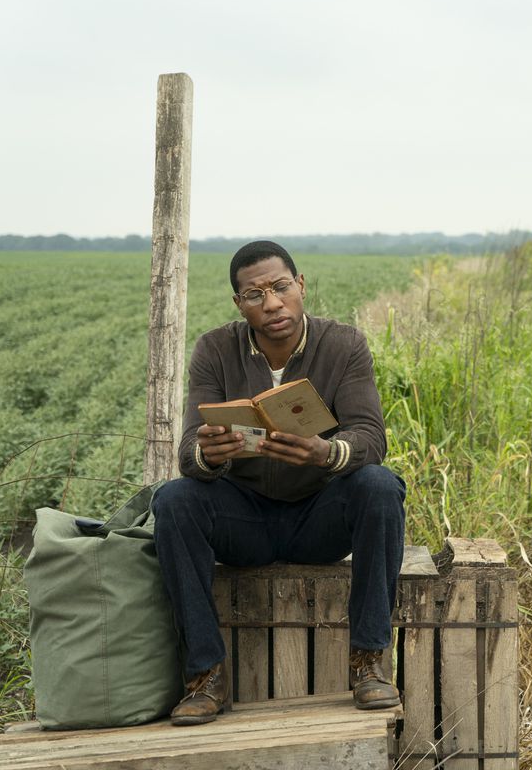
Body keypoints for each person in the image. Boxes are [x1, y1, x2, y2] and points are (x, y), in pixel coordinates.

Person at [151, 240, 406, 726]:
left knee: (380, 485)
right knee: (175, 499)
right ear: (238, 304)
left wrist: (325, 452)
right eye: (254, 295)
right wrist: (208, 453)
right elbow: (188, 453)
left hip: (318, 517)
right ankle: (205, 673)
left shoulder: (343, 344)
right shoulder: (215, 350)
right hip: (243, 520)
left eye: (281, 287)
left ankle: (370, 659)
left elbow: (371, 436)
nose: (271, 304)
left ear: (301, 285)